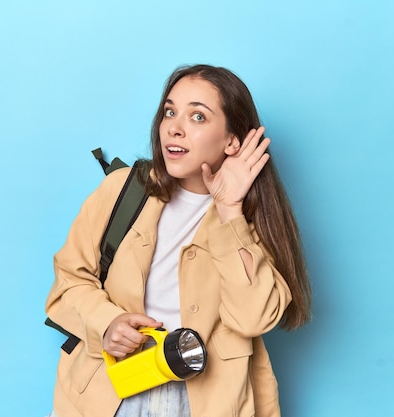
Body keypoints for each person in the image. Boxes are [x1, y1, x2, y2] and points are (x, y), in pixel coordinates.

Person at [45, 64, 312, 417]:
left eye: (198, 117)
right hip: (111, 391)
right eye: (170, 112)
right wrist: (107, 322)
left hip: (208, 402)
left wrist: (229, 211)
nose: (175, 127)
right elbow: (68, 283)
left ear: (232, 140)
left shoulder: (251, 220)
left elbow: (253, 319)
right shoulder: (121, 190)